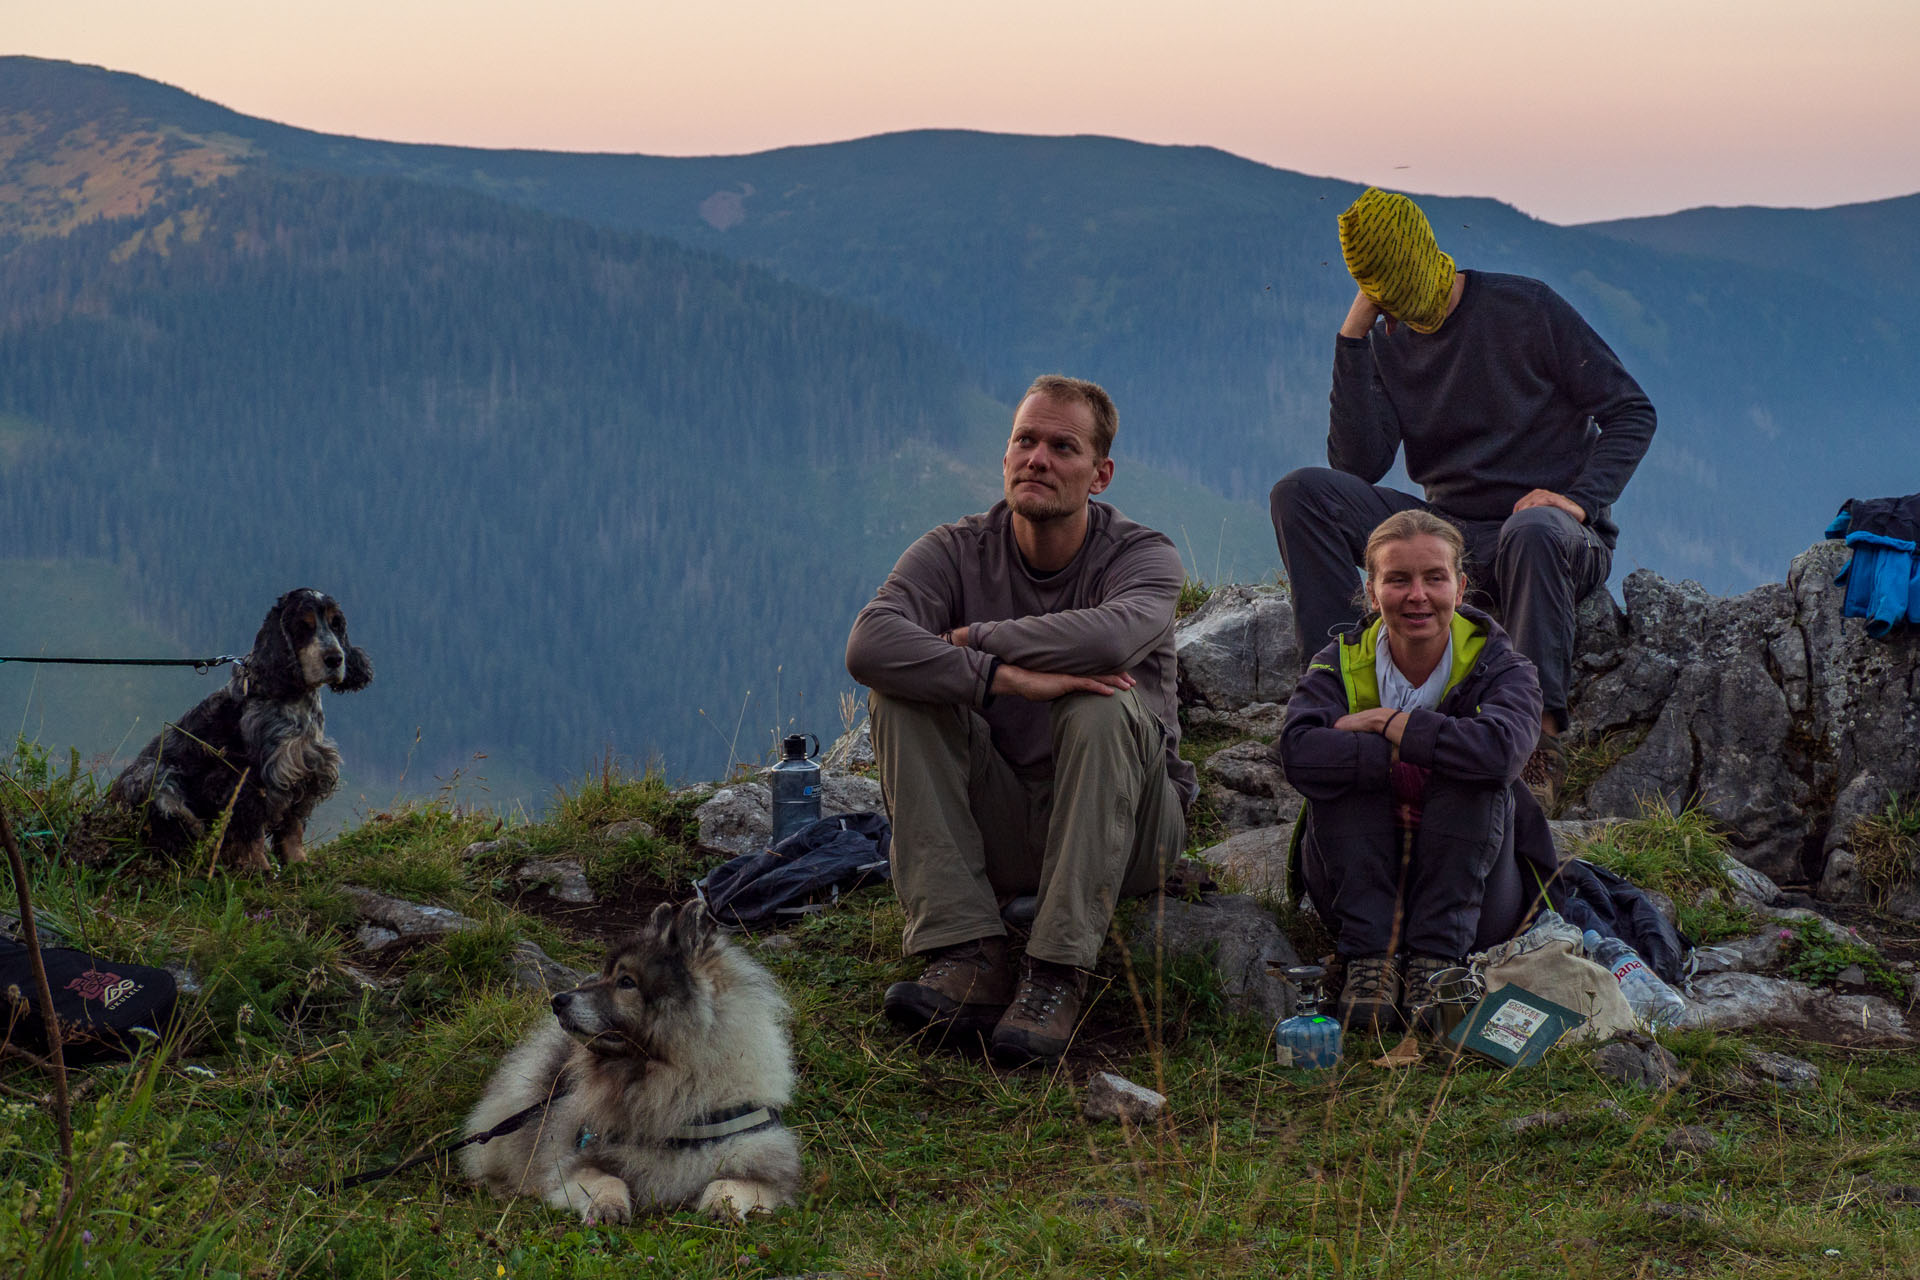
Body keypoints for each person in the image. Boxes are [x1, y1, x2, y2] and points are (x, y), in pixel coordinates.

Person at [845, 374, 1194, 1066]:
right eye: (1024, 441)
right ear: (1005, 456)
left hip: (1131, 832)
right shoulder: (954, 548)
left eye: (1062, 447)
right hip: (1006, 818)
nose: (1037, 458)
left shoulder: (1142, 556)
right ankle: (967, 953)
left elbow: (1108, 643)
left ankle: (1056, 975)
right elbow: (870, 643)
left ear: (1101, 475)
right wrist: (1003, 680)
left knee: (1100, 703)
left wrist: (975, 641)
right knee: (901, 692)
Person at [1270, 187, 1656, 808]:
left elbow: (1632, 411)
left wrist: (1578, 502)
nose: (1397, 309)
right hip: (1449, 534)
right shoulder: (1390, 334)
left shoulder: (1526, 308)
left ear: (1425, 258)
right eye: (1381, 298)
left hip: (1552, 535)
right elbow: (1358, 465)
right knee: (1302, 494)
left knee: (1531, 531)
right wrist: (1353, 339)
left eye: (1398, 292)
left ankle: (1535, 741)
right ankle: (1335, 694)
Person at [1275, 509, 1558, 1032]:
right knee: (1351, 774)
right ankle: (1372, 964)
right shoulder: (1339, 660)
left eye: (1434, 577)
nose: (1417, 596)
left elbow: (1501, 755)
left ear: (1461, 585)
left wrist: (1391, 723)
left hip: (1475, 895)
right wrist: (1405, 758)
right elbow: (1298, 752)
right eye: (1398, 579)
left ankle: (1436, 966)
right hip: (1354, 889)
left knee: (1472, 777)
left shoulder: (1502, 665)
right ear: (1371, 590)